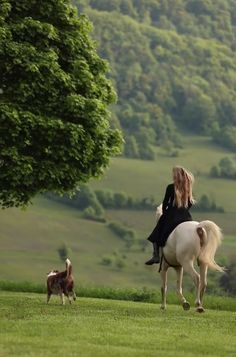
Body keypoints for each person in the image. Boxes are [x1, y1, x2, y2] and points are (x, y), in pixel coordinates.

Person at [145, 166, 195, 265]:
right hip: (186, 216)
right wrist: (184, 210)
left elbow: (165, 202)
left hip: (172, 215)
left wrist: (165, 213)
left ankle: (156, 256)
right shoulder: (187, 187)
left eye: (173, 174)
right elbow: (190, 203)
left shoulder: (170, 187)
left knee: (156, 232)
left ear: (176, 175)